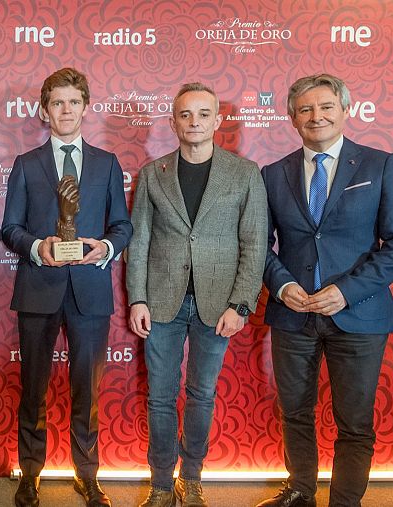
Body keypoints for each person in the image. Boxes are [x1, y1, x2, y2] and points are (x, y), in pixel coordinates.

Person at [256, 74, 393, 507]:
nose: (317, 116)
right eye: (305, 109)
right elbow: (257, 245)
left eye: (326, 106)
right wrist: (282, 283)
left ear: (345, 111)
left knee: (355, 422)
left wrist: (346, 291)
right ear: (291, 118)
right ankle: (300, 490)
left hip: (360, 315)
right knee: (294, 412)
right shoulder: (272, 174)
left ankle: (345, 501)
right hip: (293, 315)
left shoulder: (379, 165)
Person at [126, 83, 267, 507]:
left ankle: (192, 477)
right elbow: (140, 241)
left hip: (218, 304)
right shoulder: (154, 173)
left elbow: (254, 244)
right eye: (186, 114)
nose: (194, 122)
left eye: (203, 114)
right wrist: (137, 298)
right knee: (161, 397)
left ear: (217, 121)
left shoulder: (245, 174)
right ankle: (161, 484)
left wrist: (241, 304)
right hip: (161, 302)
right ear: (172, 122)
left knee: (203, 394)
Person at [2, 67, 132, 507]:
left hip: (90, 291)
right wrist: (39, 246)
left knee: (87, 391)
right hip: (39, 287)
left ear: (85, 107)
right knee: (33, 386)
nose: (66, 110)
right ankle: (30, 474)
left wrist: (107, 247)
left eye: (74, 102)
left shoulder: (107, 163)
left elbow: (124, 226)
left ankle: (87, 475)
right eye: (57, 103)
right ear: (44, 111)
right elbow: (10, 229)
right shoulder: (25, 164)